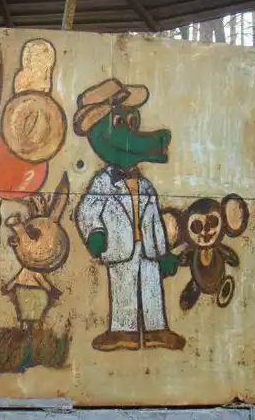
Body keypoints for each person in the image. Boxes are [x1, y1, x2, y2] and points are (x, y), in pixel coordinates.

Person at [74, 78, 185, 352]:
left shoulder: (146, 186)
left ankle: (157, 329)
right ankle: (123, 330)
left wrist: (163, 253)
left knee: (151, 286)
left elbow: (155, 222)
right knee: (123, 286)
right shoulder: (103, 183)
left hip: (147, 249)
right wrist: (95, 232)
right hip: (119, 246)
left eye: (132, 122)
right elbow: (87, 209)